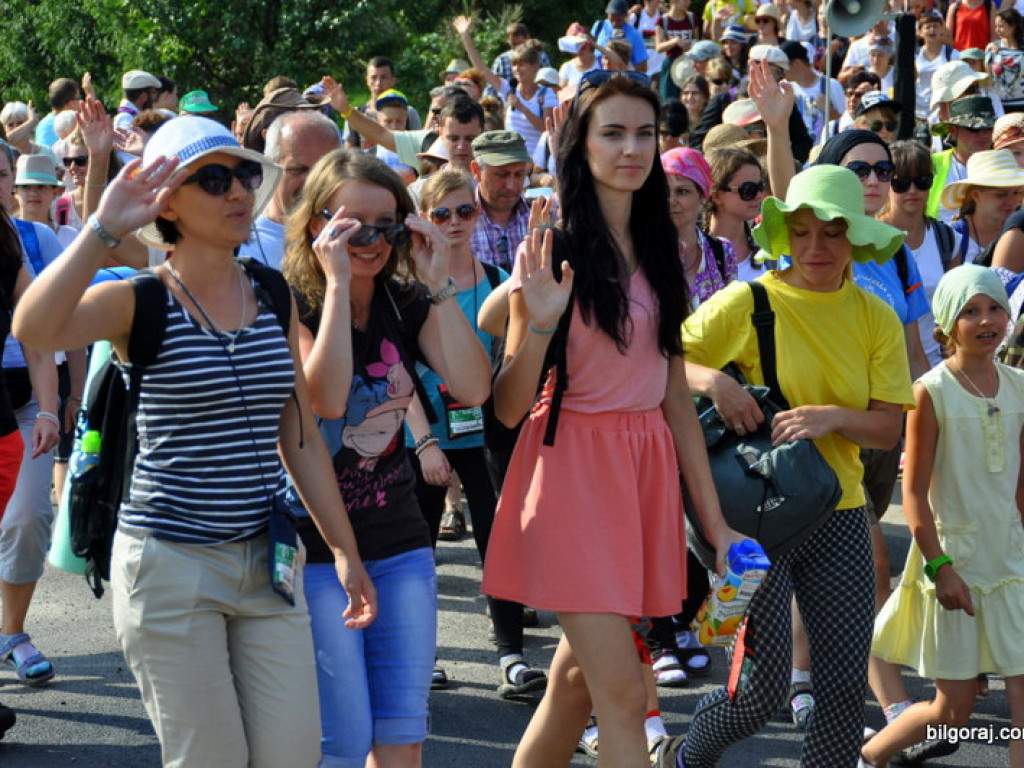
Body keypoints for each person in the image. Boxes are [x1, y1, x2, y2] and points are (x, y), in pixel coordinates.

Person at [13, 115, 375, 767]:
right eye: (212, 179)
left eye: (243, 174)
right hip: (169, 566)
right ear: (168, 203)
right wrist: (102, 229)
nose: (237, 191)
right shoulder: (138, 300)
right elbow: (35, 325)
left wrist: (346, 553)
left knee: (292, 757)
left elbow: (300, 440)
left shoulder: (273, 293)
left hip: (268, 560)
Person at [482, 70, 741, 768]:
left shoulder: (661, 248)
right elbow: (508, 406)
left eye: (644, 133)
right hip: (569, 475)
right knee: (624, 695)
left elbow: (672, 395)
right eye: (613, 132)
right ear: (581, 144)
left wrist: (713, 525)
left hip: (642, 475)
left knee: (572, 685)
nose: (631, 148)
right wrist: (533, 324)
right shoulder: (554, 247)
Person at [656, 163, 914, 768]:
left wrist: (831, 416)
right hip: (756, 518)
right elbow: (662, 366)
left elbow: (889, 427)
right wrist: (717, 381)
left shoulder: (875, 315)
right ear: (784, 236)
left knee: (845, 689)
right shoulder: (748, 300)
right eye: (801, 232)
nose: (816, 247)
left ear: (855, 237)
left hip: (841, 511)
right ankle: (687, 755)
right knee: (760, 693)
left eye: (831, 232)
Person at [281, 148, 490, 767]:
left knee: (402, 735)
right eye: (353, 226)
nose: (372, 240)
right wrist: (341, 283)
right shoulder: (288, 298)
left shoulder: (407, 298)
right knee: (342, 743)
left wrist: (439, 283)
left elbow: (474, 388)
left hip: (399, 538)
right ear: (318, 223)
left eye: (388, 225)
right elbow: (327, 396)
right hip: (314, 547)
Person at [862, 265, 1024, 768]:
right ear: (947, 323)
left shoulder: (1020, 386)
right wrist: (940, 567)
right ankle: (869, 757)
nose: (985, 320)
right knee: (952, 710)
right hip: (954, 563)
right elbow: (911, 494)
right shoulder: (931, 390)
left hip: (1012, 560)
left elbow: (1021, 486)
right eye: (970, 311)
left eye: (995, 307)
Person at [881, 139, 964, 369]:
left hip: (938, 366)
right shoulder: (870, 241)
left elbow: (956, 311)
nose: (913, 191)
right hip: (884, 368)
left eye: (922, 181)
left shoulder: (946, 240)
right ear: (886, 183)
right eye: (902, 183)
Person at [238, 110, 341, 270]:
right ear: (269, 168)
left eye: (324, 170)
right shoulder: (240, 247)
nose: (311, 182)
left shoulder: (356, 239)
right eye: (298, 170)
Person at [941, 149, 1024, 263]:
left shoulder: (1020, 231)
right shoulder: (953, 238)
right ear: (976, 196)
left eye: (1016, 192)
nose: (1011, 201)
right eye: (1000, 195)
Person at [469, 131, 533, 272]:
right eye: (502, 175)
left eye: (519, 175)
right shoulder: (458, 221)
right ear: (476, 171)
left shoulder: (541, 217)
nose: (511, 185)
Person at [928, 95, 997, 223]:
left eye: (988, 128)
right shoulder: (931, 165)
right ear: (953, 131)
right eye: (974, 129)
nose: (983, 135)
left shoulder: (1004, 165)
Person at [705, 146, 768, 281]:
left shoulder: (768, 252)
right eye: (748, 189)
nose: (759, 195)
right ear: (716, 195)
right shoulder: (693, 254)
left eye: (760, 187)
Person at [113, 71, 161, 164]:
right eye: (154, 93)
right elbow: (129, 160)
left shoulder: (131, 117)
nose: (156, 98)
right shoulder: (125, 119)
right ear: (143, 97)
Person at [593, 0, 650, 73]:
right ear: (608, 13)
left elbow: (642, 67)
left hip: (621, 78)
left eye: (619, 16)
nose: (615, 21)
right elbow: (589, 52)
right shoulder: (599, 26)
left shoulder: (634, 35)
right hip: (598, 76)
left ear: (626, 15)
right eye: (613, 15)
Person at [987, 8, 1024, 113]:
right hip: (999, 104)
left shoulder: (1022, 49)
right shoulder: (992, 48)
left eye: (1001, 26)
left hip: (1020, 103)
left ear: (1013, 26)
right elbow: (988, 75)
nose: (997, 29)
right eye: (996, 26)